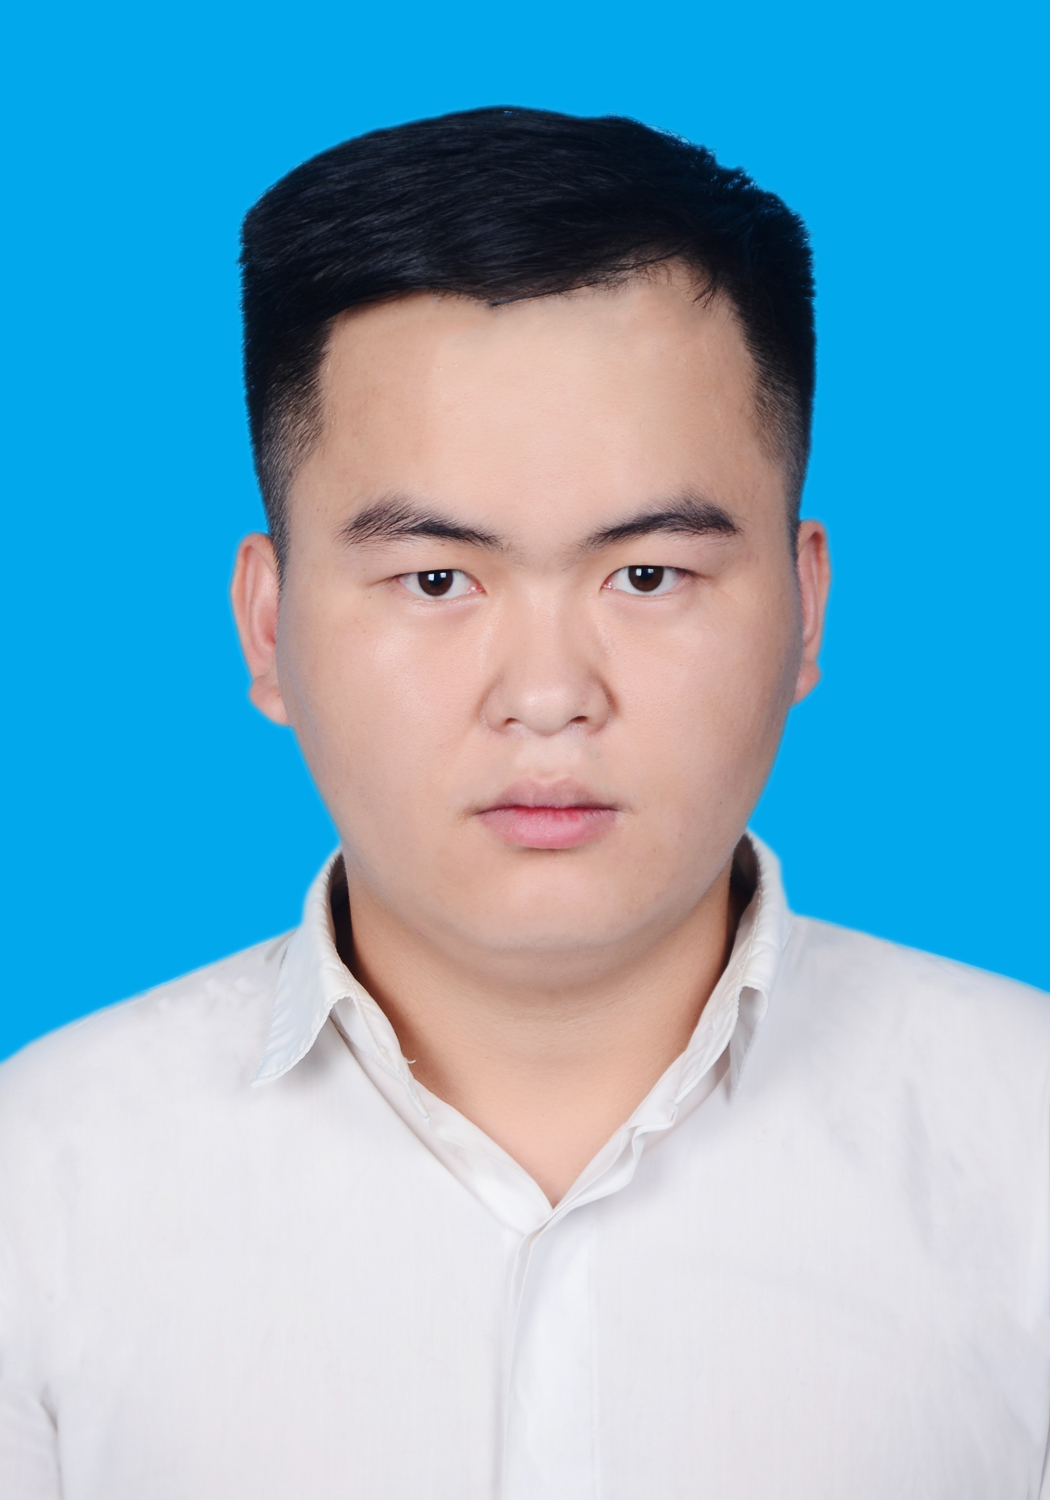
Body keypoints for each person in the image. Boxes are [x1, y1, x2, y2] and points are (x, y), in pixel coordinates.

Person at [0, 105, 1047, 1500]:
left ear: (805, 607)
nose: (548, 696)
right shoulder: (37, 1186)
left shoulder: (1026, 1149)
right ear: (267, 626)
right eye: (436, 579)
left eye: (647, 575)